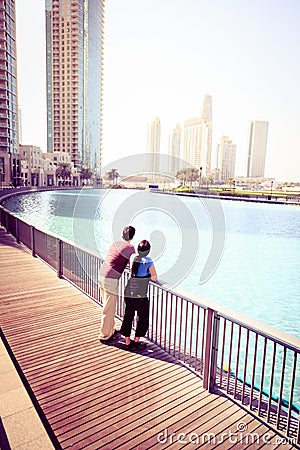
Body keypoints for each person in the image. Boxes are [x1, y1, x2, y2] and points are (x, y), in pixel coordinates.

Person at [99, 225, 136, 343]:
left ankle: (110, 330)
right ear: (133, 236)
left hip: (101, 274)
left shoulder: (114, 244)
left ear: (122, 235)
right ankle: (105, 336)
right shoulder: (130, 248)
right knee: (109, 308)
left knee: (107, 305)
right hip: (110, 279)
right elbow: (134, 264)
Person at [120, 239, 157, 351]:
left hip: (129, 290)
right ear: (148, 251)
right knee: (143, 317)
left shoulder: (133, 258)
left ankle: (127, 342)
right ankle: (136, 341)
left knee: (128, 316)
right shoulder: (148, 261)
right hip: (140, 294)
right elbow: (154, 278)